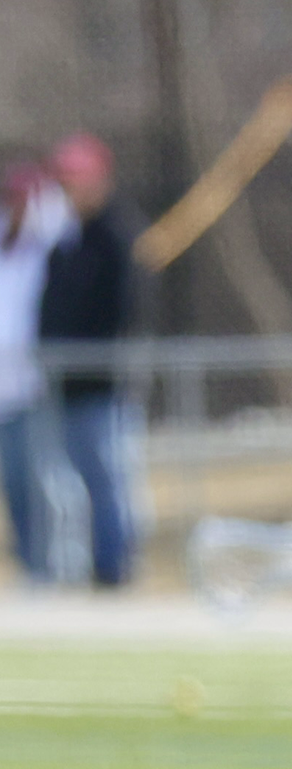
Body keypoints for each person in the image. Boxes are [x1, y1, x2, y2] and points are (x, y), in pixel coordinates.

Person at [40, 133, 143, 587]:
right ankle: (84, 565)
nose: (69, 190)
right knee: (72, 481)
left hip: (103, 382)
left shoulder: (115, 236)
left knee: (109, 476)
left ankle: (114, 567)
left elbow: (120, 310)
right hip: (67, 382)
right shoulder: (66, 239)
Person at [1, 161, 70, 585]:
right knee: (14, 482)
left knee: (47, 479)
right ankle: (32, 564)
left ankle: (59, 562)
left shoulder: (50, 243)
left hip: (39, 385)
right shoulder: (5, 244)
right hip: (5, 388)